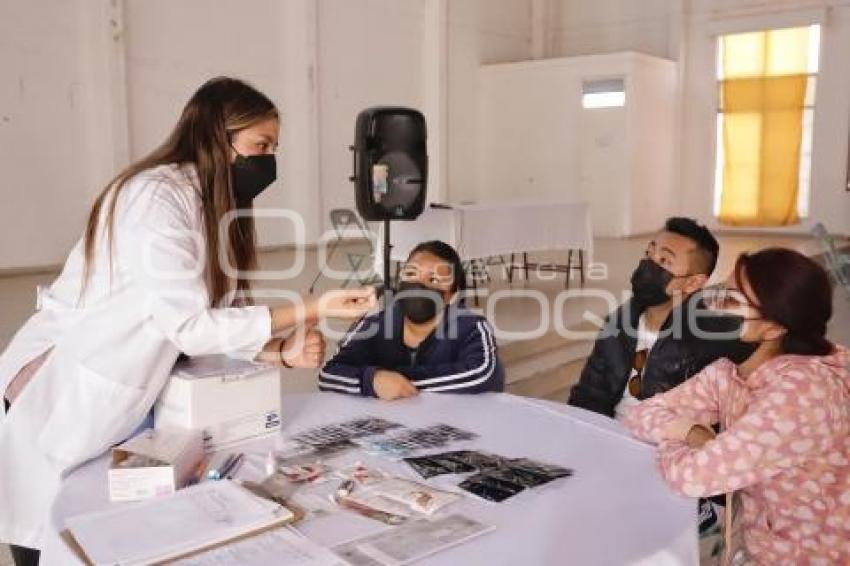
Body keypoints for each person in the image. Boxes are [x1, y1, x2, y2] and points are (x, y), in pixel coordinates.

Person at [0, 77, 375, 565]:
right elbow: (190, 325)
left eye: (273, 147)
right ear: (218, 137)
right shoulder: (153, 198)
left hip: (114, 400)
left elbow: (193, 319)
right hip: (58, 393)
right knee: (47, 535)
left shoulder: (202, 205)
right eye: (260, 145)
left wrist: (277, 351)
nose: (268, 161)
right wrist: (315, 306)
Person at [623, 248, 849, 564]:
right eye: (720, 294)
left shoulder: (802, 395)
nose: (711, 308)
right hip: (763, 544)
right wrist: (691, 432)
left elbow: (692, 478)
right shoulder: (732, 371)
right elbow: (640, 413)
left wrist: (690, 447)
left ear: (773, 328)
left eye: (731, 302)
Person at [568, 217, 753, 420]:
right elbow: (589, 394)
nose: (649, 264)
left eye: (665, 261)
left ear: (692, 283)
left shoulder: (712, 337)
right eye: (649, 253)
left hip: (665, 444)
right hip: (610, 434)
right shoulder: (619, 322)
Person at [319, 240, 504, 400]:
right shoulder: (374, 325)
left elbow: (482, 374)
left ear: (451, 295)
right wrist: (373, 381)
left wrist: (396, 381)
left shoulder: (471, 327)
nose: (418, 285)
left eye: (433, 280)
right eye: (411, 274)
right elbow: (329, 375)